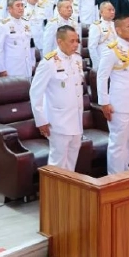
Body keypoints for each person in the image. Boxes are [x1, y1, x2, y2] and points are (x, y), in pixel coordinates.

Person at [30, 25, 85, 171]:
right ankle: (55, 194)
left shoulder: (77, 60)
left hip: (76, 120)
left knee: (72, 161)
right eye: (71, 41)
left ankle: (68, 192)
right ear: (60, 42)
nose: (75, 45)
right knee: (57, 164)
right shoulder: (49, 62)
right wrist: (41, 120)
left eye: (77, 41)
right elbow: (35, 93)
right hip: (58, 121)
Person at [96, 14, 129, 175]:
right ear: (118, 30)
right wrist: (104, 102)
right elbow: (102, 77)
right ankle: (114, 178)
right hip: (119, 103)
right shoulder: (112, 49)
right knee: (118, 143)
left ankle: (124, 173)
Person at [0, 0, 36, 79]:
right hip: (12, 68)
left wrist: (32, 62)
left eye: (22, 5)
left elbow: (31, 45)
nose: (21, 8)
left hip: (27, 67)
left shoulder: (26, 23)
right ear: (10, 9)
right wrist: (1, 69)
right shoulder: (3, 25)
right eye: (17, 6)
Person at [87, 2, 117, 66]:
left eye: (113, 10)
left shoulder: (115, 25)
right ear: (101, 12)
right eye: (109, 10)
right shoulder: (96, 26)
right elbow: (92, 47)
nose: (112, 12)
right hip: (103, 60)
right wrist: (97, 65)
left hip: (115, 60)